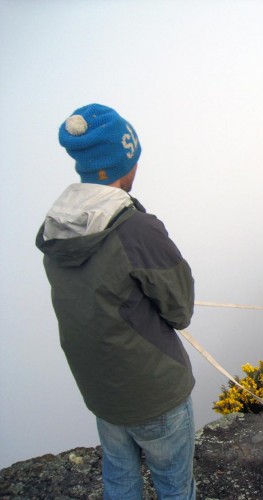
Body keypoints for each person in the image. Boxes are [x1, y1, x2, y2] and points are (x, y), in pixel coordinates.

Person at [35, 103, 196, 499]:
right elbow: (180, 310)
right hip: (154, 391)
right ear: (127, 159)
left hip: (102, 389)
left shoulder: (59, 229)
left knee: (120, 478)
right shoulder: (137, 229)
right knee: (174, 484)